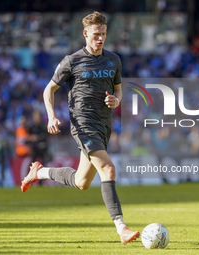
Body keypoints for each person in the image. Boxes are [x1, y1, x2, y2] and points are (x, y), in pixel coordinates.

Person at [21, 11, 140, 244]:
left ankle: (40, 172)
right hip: (83, 124)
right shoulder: (72, 61)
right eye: (96, 34)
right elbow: (49, 89)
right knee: (108, 170)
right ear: (85, 34)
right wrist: (51, 116)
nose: (100, 39)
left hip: (104, 125)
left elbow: (118, 89)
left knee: (81, 182)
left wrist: (117, 100)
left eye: (103, 34)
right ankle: (121, 228)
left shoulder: (113, 60)